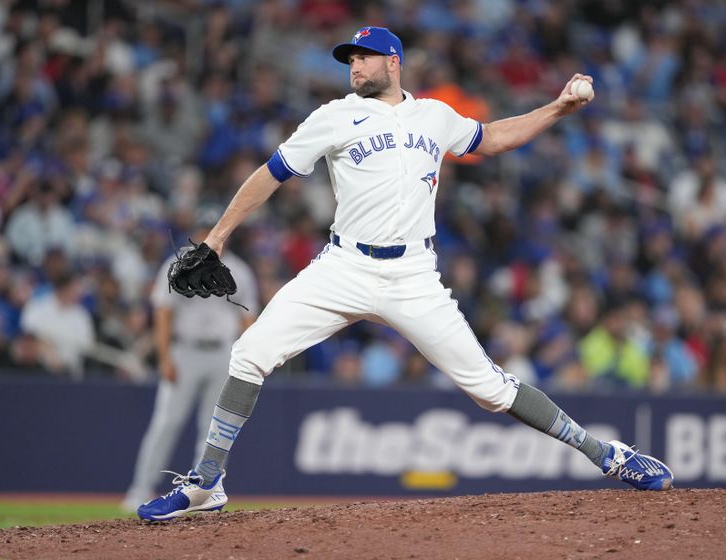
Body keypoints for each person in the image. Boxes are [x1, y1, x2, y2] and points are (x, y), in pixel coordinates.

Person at [137, 26, 673, 521]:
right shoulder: (333, 115)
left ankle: (608, 454)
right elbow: (270, 174)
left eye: (363, 57)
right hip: (343, 266)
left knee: (489, 388)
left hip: (413, 274)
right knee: (250, 354)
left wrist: (558, 108)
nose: (354, 65)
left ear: (392, 63)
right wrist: (218, 235)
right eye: (349, 58)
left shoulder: (435, 116)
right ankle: (207, 483)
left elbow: (494, 138)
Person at [123, 216, 258, 511]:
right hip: (184, 352)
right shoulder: (177, 263)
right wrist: (164, 356)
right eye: (203, 230)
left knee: (214, 428)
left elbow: (247, 319)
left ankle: (204, 490)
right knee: (166, 422)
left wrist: (248, 360)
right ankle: (140, 487)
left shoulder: (241, 270)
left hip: (224, 353)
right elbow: (162, 311)